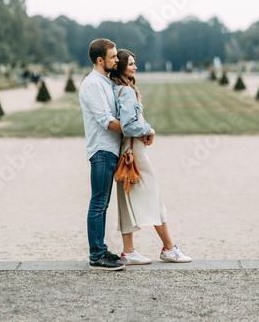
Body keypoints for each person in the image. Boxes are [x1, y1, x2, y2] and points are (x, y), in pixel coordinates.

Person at [110, 49, 192, 265]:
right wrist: (149, 129)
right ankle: (169, 248)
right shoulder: (126, 91)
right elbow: (128, 125)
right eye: (131, 64)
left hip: (123, 152)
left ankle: (128, 251)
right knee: (154, 198)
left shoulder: (113, 89)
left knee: (125, 200)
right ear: (121, 67)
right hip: (135, 152)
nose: (134, 67)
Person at [79, 39, 125, 271]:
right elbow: (105, 120)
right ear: (100, 60)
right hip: (101, 150)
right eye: (113, 56)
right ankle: (96, 255)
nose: (117, 59)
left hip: (109, 150)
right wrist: (136, 129)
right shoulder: (93, 85)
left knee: (103, 203)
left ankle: (100, 248)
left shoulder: (104, 82)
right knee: (98, 203)